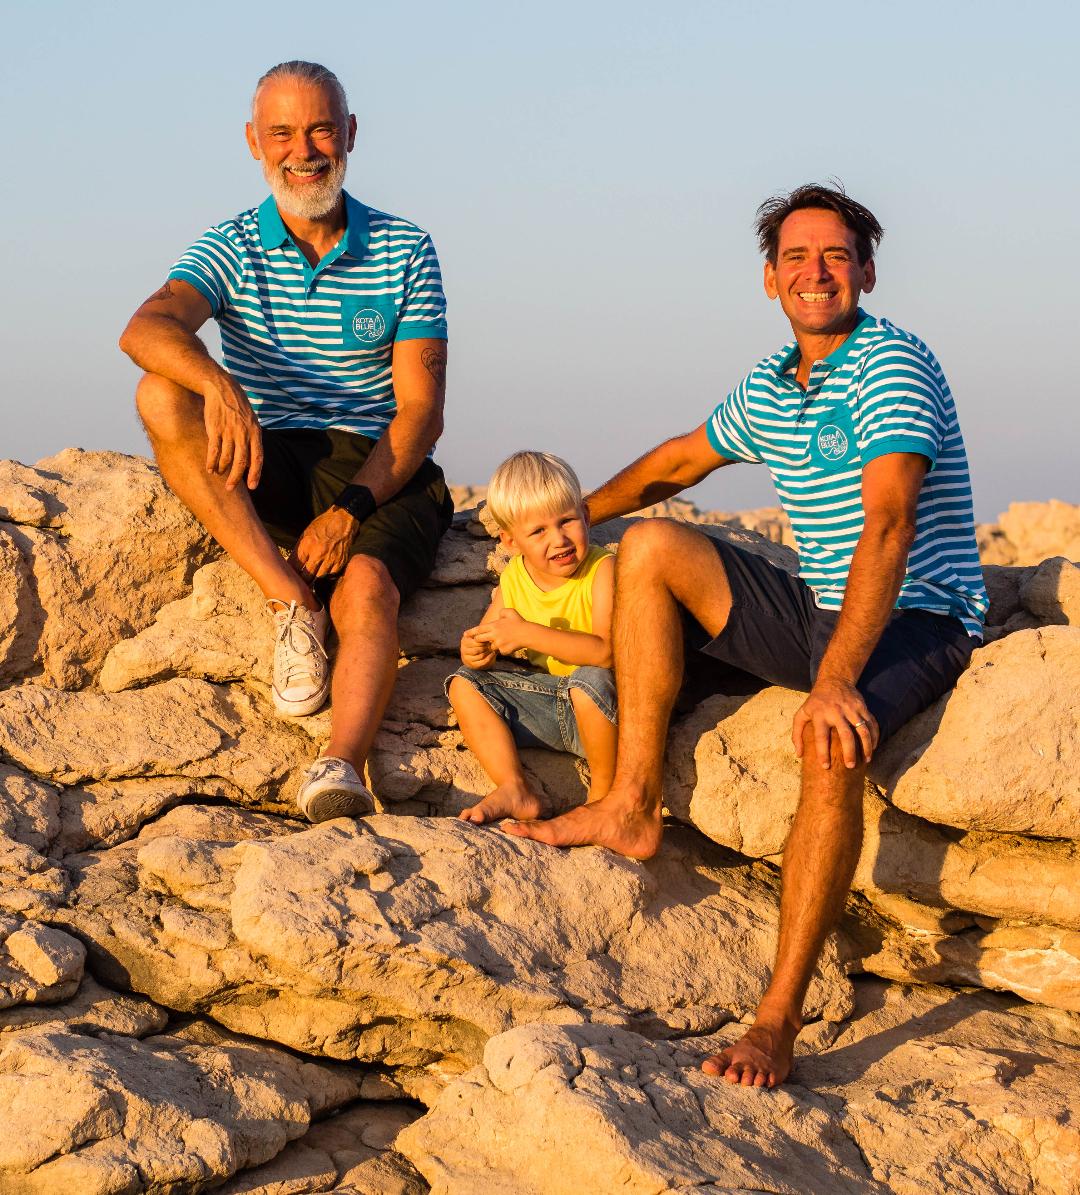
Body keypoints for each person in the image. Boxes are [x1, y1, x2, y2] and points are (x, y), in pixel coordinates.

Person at [504, 184, 988, 1088]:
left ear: (866, 272)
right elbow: (679, 463)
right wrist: (559, 519)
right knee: (650, 547)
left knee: (829, 741)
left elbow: (889, 527)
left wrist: (837, 680)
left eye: (835, 257)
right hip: (815, 603)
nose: (816, 274)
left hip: (914, 610)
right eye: (796, 259)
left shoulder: (892, 365)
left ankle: (776, 1023)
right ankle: (631, 803)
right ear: (770, 280)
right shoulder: (773, 384)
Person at [119, 60, 453, 823]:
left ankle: (341, 765)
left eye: (320, 129)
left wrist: (350, 510)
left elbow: (421, 414)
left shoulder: (405, 247)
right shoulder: (233, 244)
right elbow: (144, 328)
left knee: (369, 587)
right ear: (253, 142)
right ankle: (289, 599)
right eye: (281, 132)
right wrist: (220, 384)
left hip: (378, 463)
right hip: (272, 453)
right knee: (160, 390)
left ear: (350, 135)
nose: (303, 150)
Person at [448, 452, 617, 825]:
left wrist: (528, 633)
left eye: (568, 521)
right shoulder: (514, 579)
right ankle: (514, 788)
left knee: (590, 680)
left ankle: (604, 796)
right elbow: (486, 646)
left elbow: (605, 654)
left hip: (607, 711)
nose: (558, 539)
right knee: (464, 684)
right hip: (554, 707)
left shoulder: (603, 570)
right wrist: (475, 650)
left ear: (586, 517)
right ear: (510, 541)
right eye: (538, 531)